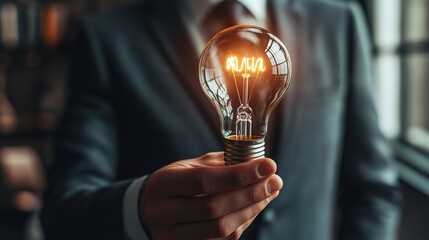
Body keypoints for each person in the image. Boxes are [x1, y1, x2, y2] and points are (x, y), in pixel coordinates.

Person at [41, 0, 402, 239]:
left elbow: (374, 190)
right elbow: (62, 211)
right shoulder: (107, 38)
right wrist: (141, 208)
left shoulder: (338, 23)